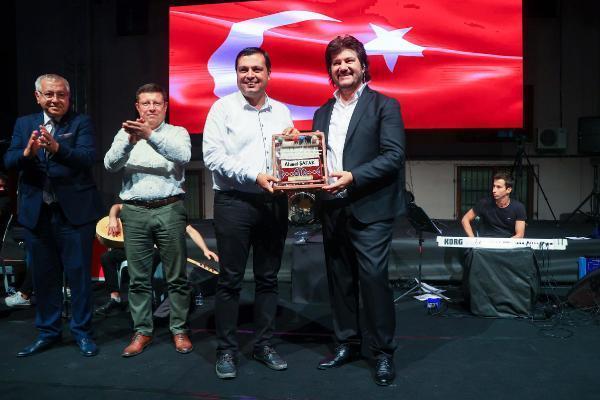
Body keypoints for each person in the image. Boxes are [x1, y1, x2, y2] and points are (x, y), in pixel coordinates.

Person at [312, 36, 406, 386]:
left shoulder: (385, 106)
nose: (343, 67)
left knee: (373, 280)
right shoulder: (321, 112)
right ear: (330, 70)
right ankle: (347, 344)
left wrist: (353, 177)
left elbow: (393, 156)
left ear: (363, 66)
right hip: (332, 208)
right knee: (340, 281)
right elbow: (315, 159)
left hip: (371, 207)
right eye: (336, 63)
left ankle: (383, 353)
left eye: (349, 60)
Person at [203, 47, 298, 379]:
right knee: (230, 279)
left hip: (274, 203)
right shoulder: (222, 109)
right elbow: (212, 157)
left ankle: (263, 345)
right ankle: (226, 350)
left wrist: (297, 145)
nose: (250, 75)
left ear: (269, 74)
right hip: (234, 203)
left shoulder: (282, 111)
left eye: (257, 69)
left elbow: (288, 158)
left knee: (268, 279)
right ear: (236, 74)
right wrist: (253, 175)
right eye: (244, 70)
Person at [4, 73, 103, 357]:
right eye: (49, 94)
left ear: (68, 97)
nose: (55, 99)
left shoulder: (80, 122)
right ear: (38, 97)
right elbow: (9, 160)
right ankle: (48, 332)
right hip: (37, 214)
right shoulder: (24, 124)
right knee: (44, 278)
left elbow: (87, 158)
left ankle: (82, 333)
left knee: (79, 278)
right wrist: (27, 154)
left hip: (74, 214)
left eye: (61, 94)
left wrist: (57, 148)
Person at [104, 83, 193, 357]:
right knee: (138, 279)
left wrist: (150, 136)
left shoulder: (177, 132)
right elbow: (110, 165)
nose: (151, 108)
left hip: (169, 208)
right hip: (134, 211)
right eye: (146, 103)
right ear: (137, 107)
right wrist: (130, 142)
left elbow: (183, 156)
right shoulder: (125, 133)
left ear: (165, 107)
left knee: (176, 277)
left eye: (156, 103)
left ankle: (179, 329)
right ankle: (142, 331)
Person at [95, 204, 219, 316]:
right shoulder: (139, 203)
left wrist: (205, 249)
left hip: (154, 249)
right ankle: (115, 299)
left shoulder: (170, 210)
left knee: (154, 256)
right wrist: (112, 219)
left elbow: (190, 230)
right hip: (133, 246)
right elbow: (116, 207)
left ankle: (146, 299)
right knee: (107, 257)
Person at [461, 171, 526, 238]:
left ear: (508, 190)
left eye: (498, 187)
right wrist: (472, 239)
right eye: (494, 186)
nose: (494, 190)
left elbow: (520, 235)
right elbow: (465, 219)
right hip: (486, 242)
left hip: (509, 242)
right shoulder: (484, 203)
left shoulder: (519, 207)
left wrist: (507, 243)